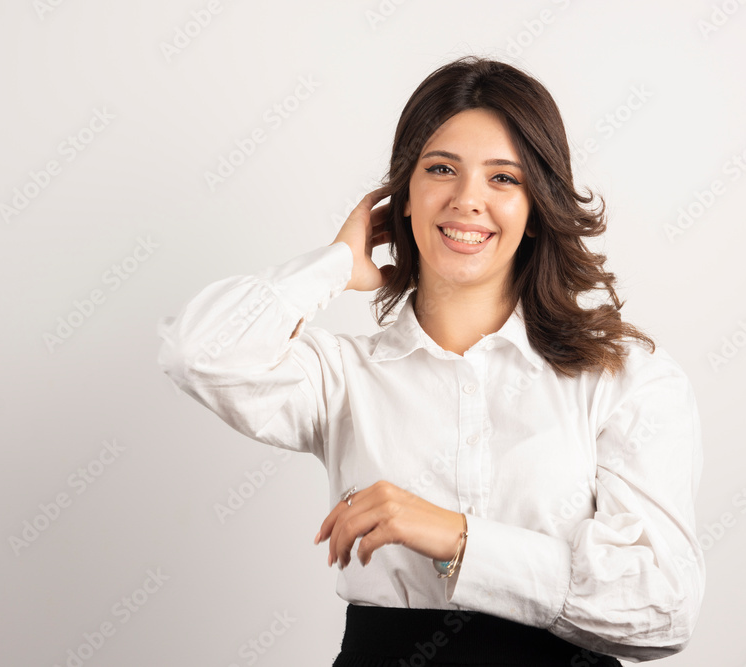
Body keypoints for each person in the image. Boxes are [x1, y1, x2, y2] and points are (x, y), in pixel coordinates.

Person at [158, 56, 705, 666]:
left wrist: (457, 537)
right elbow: (197, 353)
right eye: (441, 169)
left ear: (535, 209)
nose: (467, 200)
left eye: (504, 178)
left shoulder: (625, 380)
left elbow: (663, 608)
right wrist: (339, 264)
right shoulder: (343, 377)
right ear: (403, 199)